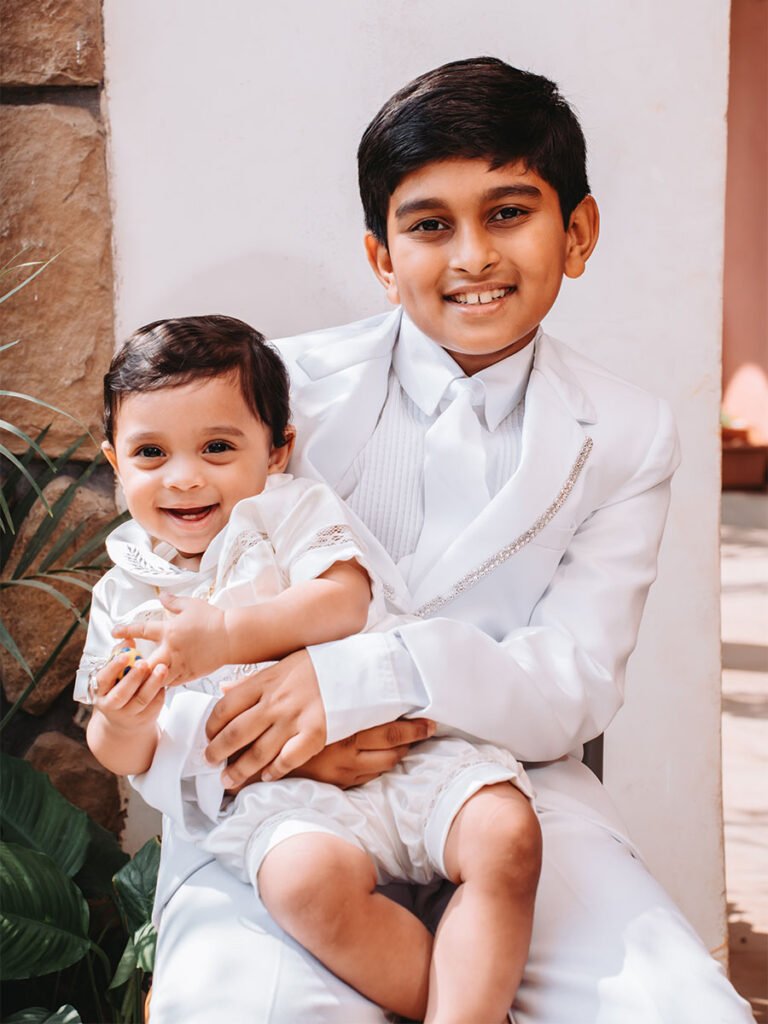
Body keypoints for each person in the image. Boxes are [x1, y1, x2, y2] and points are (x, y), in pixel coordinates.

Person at [144, 59, 754, 1022]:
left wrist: (370, 677)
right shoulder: (269, 396)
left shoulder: (629, 432)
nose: (472, 255)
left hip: (511, 796)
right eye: (430, 225)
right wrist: (266, 748)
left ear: (578, 231)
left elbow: (572, 684)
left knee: (679, 1008)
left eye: (509, 211)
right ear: (383, 256)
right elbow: (159, 617)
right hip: (281, 797)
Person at [75, 314, 541, 1023]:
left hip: (401, 750)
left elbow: (343, 601)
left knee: (506, 833)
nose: (184, 478)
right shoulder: (124, 591)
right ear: (115, 462)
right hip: (283, 802)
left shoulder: (287, 510)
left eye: (218, 447)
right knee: (304, 887)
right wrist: (123, 717)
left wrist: (227, 634)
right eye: (150, 453)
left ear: (278, 451)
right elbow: (122, 754)